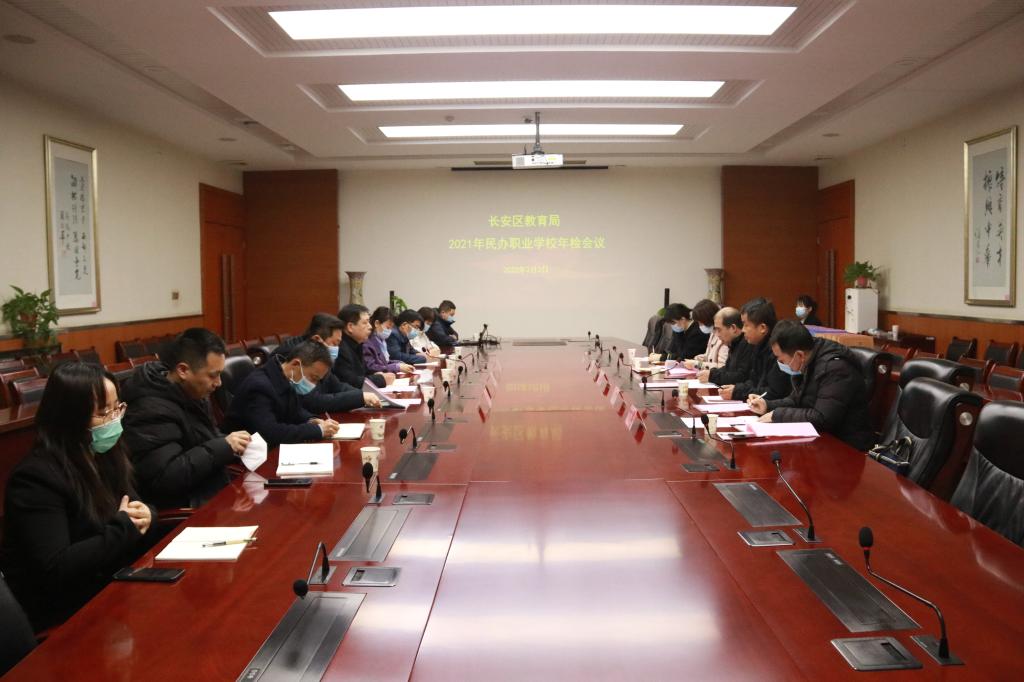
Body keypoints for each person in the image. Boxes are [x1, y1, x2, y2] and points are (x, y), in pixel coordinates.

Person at [1, 362, 153, 632]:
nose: (114, 420)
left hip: (113, 587)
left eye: (117, 409)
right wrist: (124, 528)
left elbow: (132, 507)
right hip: (68, 611)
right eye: (103, 413)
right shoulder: (35, 478)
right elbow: (56, 567)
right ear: (69, 418)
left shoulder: (105, 454)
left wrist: (147, 514)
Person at [121, 328, 251, 509]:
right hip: (188, 508)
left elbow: (204, 440)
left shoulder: (191, 392)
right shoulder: (149, 410)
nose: (219, 383)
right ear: (183, 370)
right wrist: (223, 446)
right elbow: (165, 478)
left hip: (211, 492)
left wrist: (234, 445)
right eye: (213, 375)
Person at [748, 320, 874, 450]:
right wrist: (767, 405)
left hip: (846, 447)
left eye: (782, 360)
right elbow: (796, 400)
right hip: (822, 440)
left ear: (799, 355)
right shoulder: (810, 359)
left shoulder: (836, 369)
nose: (780, 363)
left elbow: (822, 418)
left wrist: (777, 415)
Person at [223, 341, 340, 447]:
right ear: (295, 364)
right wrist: (317, 430)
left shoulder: (287, 377)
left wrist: (311, 420)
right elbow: (270, 433)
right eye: (313, 378)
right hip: (247, 455)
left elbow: (295, 411)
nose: (314, 384)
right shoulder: (259, 386)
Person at [274, 313, 379, 413]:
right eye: (334, 343)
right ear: (317, 339)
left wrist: (363, 395)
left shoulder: (317, 354)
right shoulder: (296, 356)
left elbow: (335, 385)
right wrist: (359, 398)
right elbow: (312, 401)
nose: (337, 349)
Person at [719, 298, 790, 401]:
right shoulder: (757, 345)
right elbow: (753, 381)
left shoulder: (777, 351)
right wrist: (736, 388)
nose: (743, 330)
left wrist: (738, 392)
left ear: (762, 328)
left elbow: (774, 393)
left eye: (746, 325)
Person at [335, 304, 391, 389]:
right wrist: (380, 379)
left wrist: (375, 375)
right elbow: (349, 382)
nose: (370, 327)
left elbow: (362, 373)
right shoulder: (341, 348)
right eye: (365, 323)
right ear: (350, 327)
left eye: (369, 322)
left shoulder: (358, 344)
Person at [700, 307, 753, 385]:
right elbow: (728, 369)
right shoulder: (734, 343)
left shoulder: (748, 343)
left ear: (733, 328)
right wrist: (711, 372)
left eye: (719, 330)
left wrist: (712, 376)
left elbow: (742, 376)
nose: (717, 335)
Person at [364, 306, 416, 375]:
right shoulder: (368, 342)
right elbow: (372, 367)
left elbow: (385, 362)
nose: (389, 331)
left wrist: (399, 363)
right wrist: (397, 367)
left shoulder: (381, 341)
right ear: (377, 323)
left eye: (391, 328)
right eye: (388, 327)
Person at [685, 305, 730, 370]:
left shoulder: (724, 336)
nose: (699, 326)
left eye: (701, 323)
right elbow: (710, 356)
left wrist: (697, 364)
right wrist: (701, 358)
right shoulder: (712, 333)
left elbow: (721, 367)